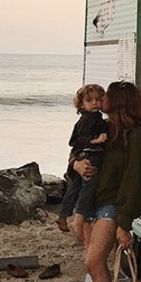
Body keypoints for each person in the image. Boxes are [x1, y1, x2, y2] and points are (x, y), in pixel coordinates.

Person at [73, 81, 141, 282]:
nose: (101, 99)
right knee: (91, 263)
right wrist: (75, 165)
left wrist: (124, 223)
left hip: (111, 205)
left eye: (106, 96)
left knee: (94, 261)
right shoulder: (104, 127)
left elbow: (136, 181)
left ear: (117, 102)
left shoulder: (136, 135)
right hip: (91, 202)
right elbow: (77, 149)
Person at [56, 84, 108, 235]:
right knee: (89, 185)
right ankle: (80, 214)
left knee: (75, 187)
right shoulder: (88, 119)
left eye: (98, 99)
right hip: (89, 155)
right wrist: (95, 140)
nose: (94, 103)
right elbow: (75, 141)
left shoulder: (95, 118)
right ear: (81, 104)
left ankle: (63, 214)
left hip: (84, 155)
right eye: (89, 100)